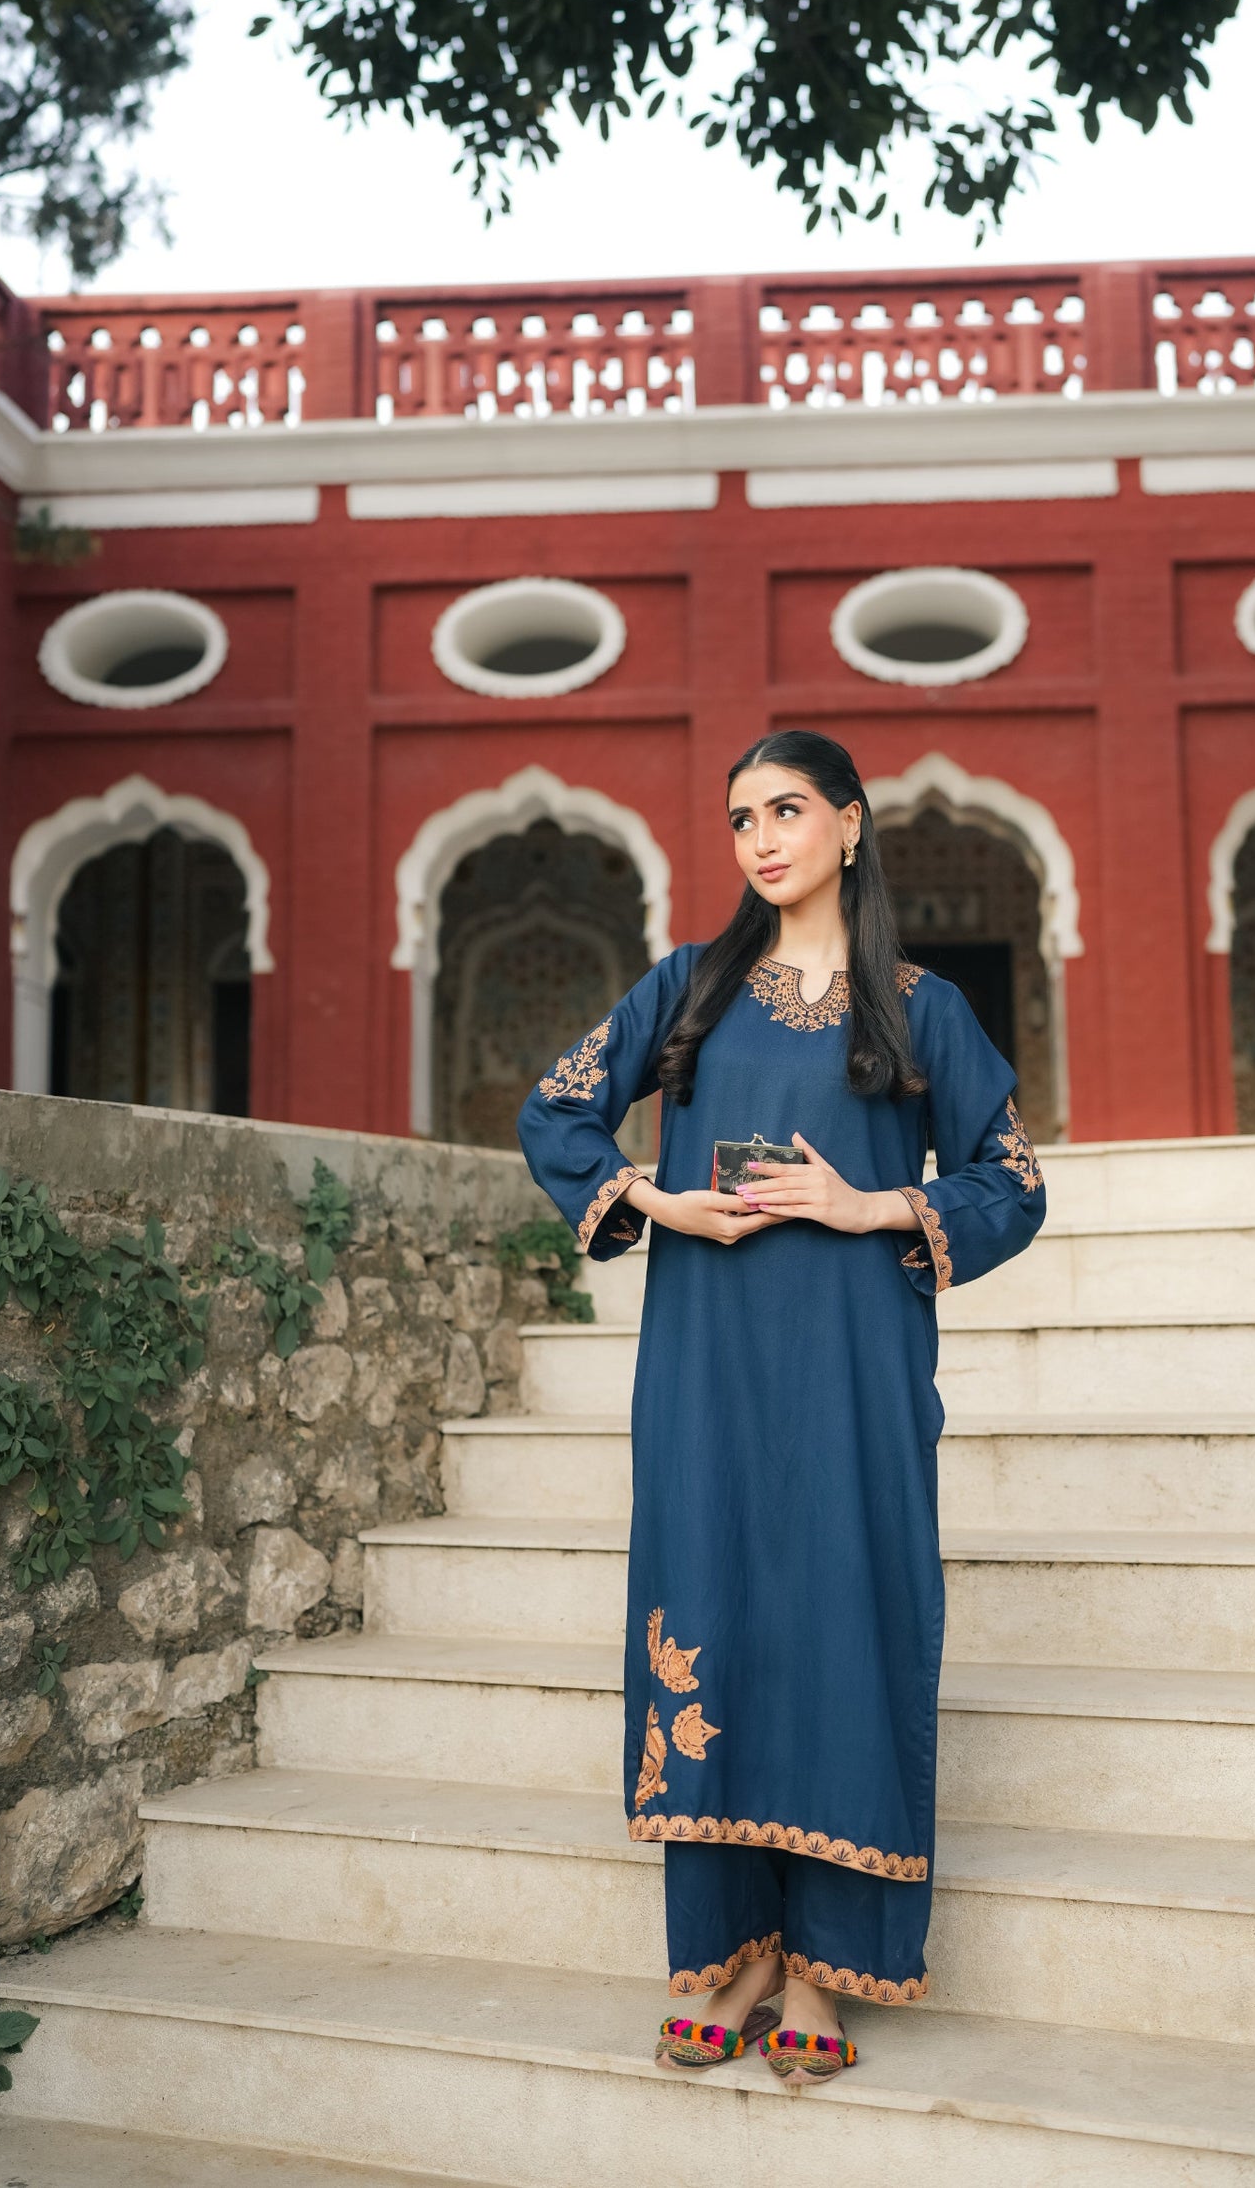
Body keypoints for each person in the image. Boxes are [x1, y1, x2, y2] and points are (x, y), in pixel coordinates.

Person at [518, 729, 1045, 2086]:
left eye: (789, 810)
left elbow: (1014, 1177)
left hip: (857, 1363)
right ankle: (736, 1942)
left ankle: (824, 1959)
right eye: (741, 815)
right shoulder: (685, 988)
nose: (759, 836)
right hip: (706, 1364)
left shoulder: (919, 1006)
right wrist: (651, 1194)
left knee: (836, 1623)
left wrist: (876, 1201)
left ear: (853, 827)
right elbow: (554, 1113)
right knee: (718, 1612)